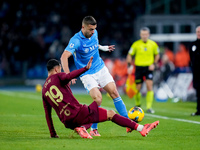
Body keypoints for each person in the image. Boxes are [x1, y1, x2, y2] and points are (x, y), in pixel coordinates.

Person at [42, 57, 159, 139]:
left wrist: (53, 133)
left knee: (95, 114)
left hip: (67, 122)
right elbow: (70, 75)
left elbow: (48, 115)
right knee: (110, 113)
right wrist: (85, 69)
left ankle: (81, 128)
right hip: (79, 113)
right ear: (57, 69)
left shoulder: (44, 91)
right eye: (60, 69)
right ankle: (142, 128)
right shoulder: (58, 76)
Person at [61, 16, 129, 136]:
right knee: (98, 98)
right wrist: (68, 75)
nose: (93, 32)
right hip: (86, 73)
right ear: (83, 27)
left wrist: (104, 47)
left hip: (100, 68)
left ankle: (128, 123)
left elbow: (94, 45)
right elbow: (64, 56)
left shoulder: (94, 33)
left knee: (114, 92)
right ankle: (93, 128)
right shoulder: (76, 40)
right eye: (91, 29)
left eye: (94, 29)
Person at [126, 27, 160, 114]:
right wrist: (129, 65)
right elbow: (129, 55)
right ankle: (138, 104)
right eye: (143, 34)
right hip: (139, 68)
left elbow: (157, 55)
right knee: (138, 88)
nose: (144, 36)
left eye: (146, 34)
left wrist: (154, 64)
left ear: (148, 35)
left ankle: (149, 107)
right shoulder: (136, 44)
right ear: (140, 35)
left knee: (149, 86)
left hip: (149, 68)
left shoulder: (153, 44)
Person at [189, 26, 200, 116]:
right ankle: (198, 110)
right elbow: (191, 58)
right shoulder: (193, 44)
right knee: (198, 91)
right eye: (197, 31)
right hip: (196, 72)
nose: (198, 33)